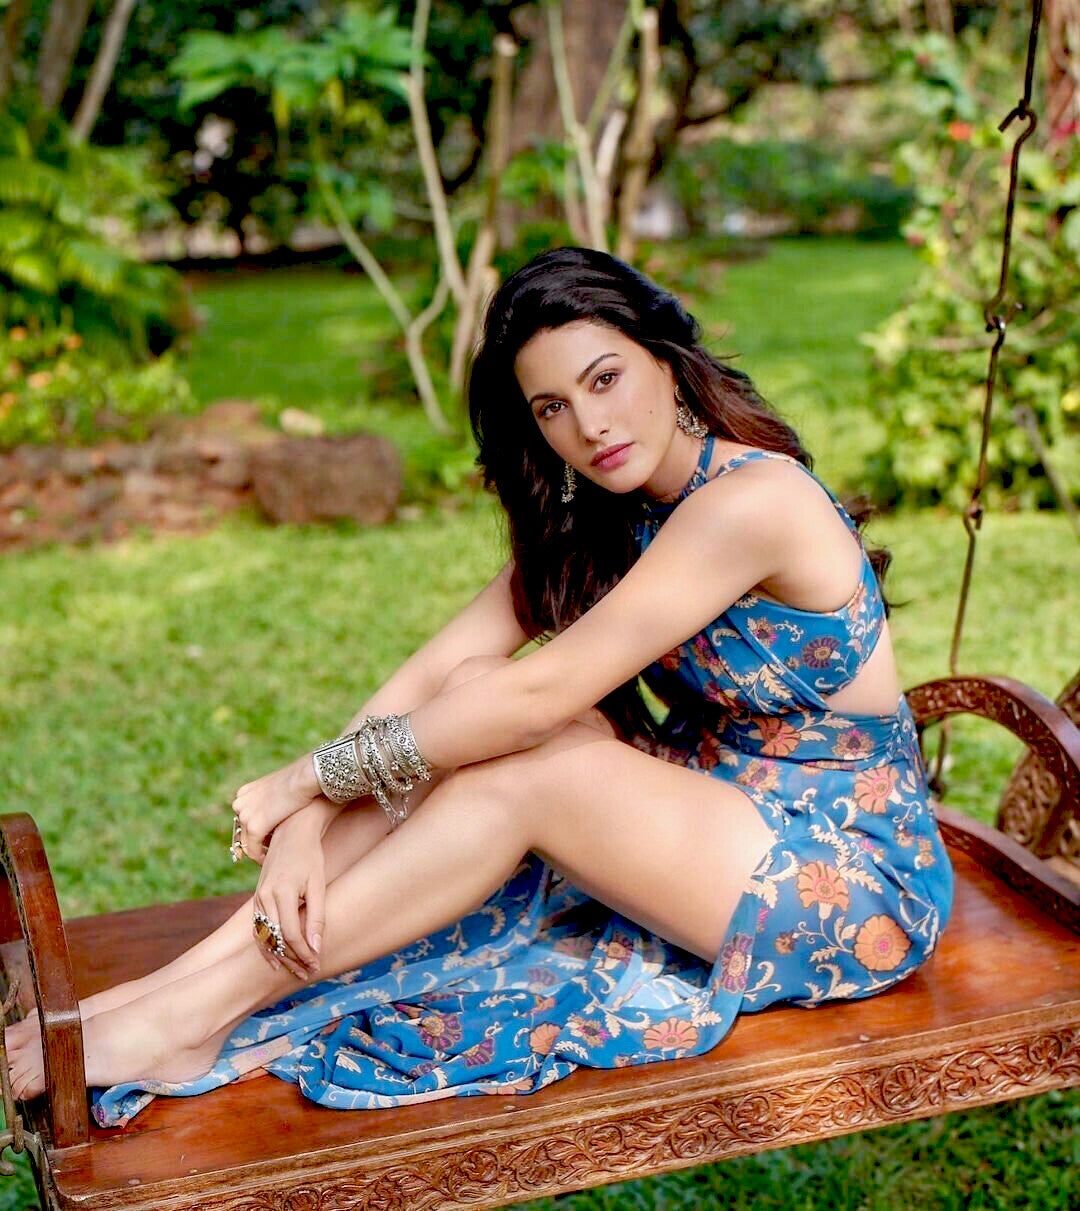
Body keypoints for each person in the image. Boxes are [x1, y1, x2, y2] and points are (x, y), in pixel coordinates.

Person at [7, 247, 954, 1124]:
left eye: (606, 378)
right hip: (717, 803)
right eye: (551, 407)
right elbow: (438, 670)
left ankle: (190, 1018)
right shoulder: (615, 512)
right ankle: (168, 989)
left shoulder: (753, 501)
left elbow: (538, 700)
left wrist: (307, 777)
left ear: (667, 360)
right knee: (471, 685)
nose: (590, 425)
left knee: (527, 756)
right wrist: (305, 818)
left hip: (843, 873)